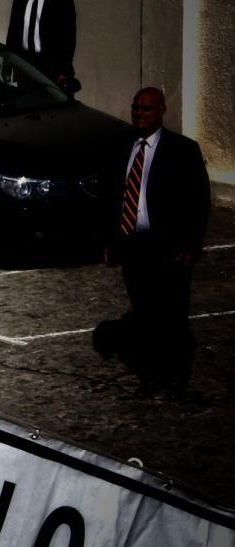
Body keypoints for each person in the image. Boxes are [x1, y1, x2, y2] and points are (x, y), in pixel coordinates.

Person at [99, 87, 211, 399]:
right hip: (134, 247)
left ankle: (177, 380)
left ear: (162, 110)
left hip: (168, 248)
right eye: (136, 108)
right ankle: (150, 376)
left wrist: (191, 245)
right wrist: (111, 240)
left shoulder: (182, 150)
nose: (139, 114)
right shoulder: (122, 146)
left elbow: (199, 200)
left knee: (173, 318)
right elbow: (112, 196)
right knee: (144, 316)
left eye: (146, 109)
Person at [5, 0, 78, 91]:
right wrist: (9, 67)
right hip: (25, 66)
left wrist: (63, 70)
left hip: (52, 69)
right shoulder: (20, 0)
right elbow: (12, 36)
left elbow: (68, 39)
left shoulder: (62, 0)